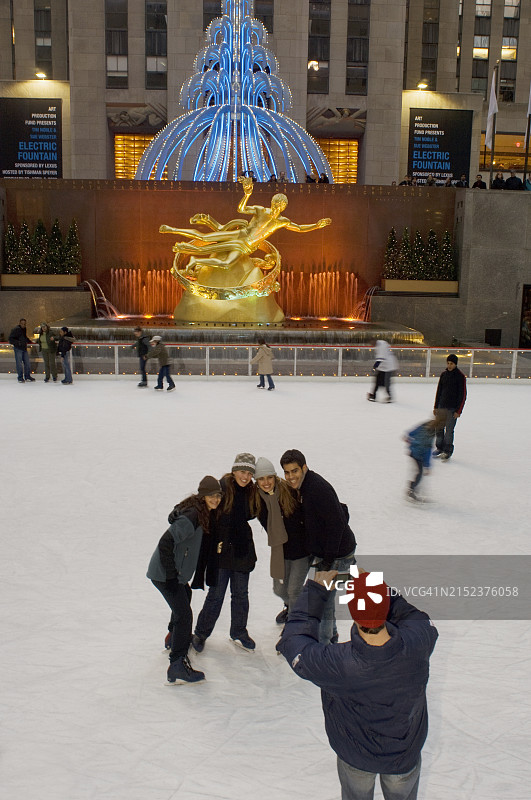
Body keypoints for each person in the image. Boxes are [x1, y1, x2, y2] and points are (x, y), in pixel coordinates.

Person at [277, 568, 438, 800]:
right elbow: (412, 615)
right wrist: (376, 589)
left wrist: (316, 591)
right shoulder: (419, 640)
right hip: (404, 755)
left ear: (354, 614)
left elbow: (293, 642)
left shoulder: (338, 663)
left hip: (356, 756)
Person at [159, 176, 331, 275]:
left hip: (247, 247)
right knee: (204, 237)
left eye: (281, 205)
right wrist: (247, 194)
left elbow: (299, 228)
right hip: (240, 235)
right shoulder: (260, 210)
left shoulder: (282, 221)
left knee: (226, 264)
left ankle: (196, 260)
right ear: (272, 203)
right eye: (276, 203)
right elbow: (240, 208)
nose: (278, 207)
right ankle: (172, 230)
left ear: (284, 207)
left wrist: (316, 225)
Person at [147, 476, 222, 684]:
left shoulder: (202, 513)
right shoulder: (192, 516)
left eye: (218, 495)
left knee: (185, 596)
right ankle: (177, 664)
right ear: (202, 496)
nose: (215, 499)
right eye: (211, 495)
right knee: (184, 614)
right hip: (164, 574)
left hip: (173, 574)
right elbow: (165, 542)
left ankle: (173, 638)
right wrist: (171, 576)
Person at [280, 449, 356, 645]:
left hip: (338, 556)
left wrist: (329, 561)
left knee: (324, 604)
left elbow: (337, 523)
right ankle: (332, 637)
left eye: (294, 471)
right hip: (330, 554)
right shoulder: (305, 488)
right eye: (287, 472)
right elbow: (339, 510)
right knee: (326, 602)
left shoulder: (316, 488)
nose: (290, 477)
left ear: (304, 468)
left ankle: (324, 648)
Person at [192, 453, 260, 652]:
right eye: (242, 471)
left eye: (249, 473)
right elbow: (201, 504)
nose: (245, 477)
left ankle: (238, 631)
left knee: (241, 594)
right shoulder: (221, 487)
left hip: (242, 550)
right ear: (234, 470)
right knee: (216, 594)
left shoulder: (253, 492)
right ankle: (201, 632)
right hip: (221, 550)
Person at [254, 457, 309, 627]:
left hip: (301, 550)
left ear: (275, 477)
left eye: (269, 477)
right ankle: (294, 607)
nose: (266, 482)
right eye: (261, 478)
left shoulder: (289, 492)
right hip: (280, 552)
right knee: (279, 590)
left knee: (294, 591)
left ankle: (293, 628)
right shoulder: (256, 499)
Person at [433, 353, 467, 461]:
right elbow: (439, 391)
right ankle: (439, 447)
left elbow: (463, 395)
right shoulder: (444, 375)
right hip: (442, 406)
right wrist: (436, 406)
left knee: (449, 431)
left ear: (455, 364)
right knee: (438, 429)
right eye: (448, 363)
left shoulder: (460, 377)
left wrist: (458, 411)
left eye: (451, 363)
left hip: (452, 409)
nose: (449, 365)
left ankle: (447, 451)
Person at [404, 419, 437, 502]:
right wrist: (427, 466)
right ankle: (412, 489)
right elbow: (427, 450)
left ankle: (413, 488)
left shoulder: (424, 426)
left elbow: (411, 433)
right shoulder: (430, 434)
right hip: (418, 454)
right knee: (419, 472)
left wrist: (408, 438)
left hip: (413, 450)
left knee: (418, 471)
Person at [367, 339, 399, 403]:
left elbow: (380, 359)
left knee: (386, 383)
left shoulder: (381, 346)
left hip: (388, 367)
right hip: (382, 367)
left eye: (372, 343)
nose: (371, 345)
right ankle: (373, 396)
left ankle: (390, 397)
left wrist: (374, 367)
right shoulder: (380, 344)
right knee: (377, 381)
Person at [8, 318, 35, 383]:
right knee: (19, 364)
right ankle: (20, 377)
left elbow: (24, 337)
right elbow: (10, 339)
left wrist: (30, 341)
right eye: (22, 324)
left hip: (24, 348)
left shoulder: (24, 329)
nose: (23, 325)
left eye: (24, 324)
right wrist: (18, 343)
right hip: (18, 349)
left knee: (27, 363)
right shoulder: (16, 329)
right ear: (19, 323)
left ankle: (27, 376)